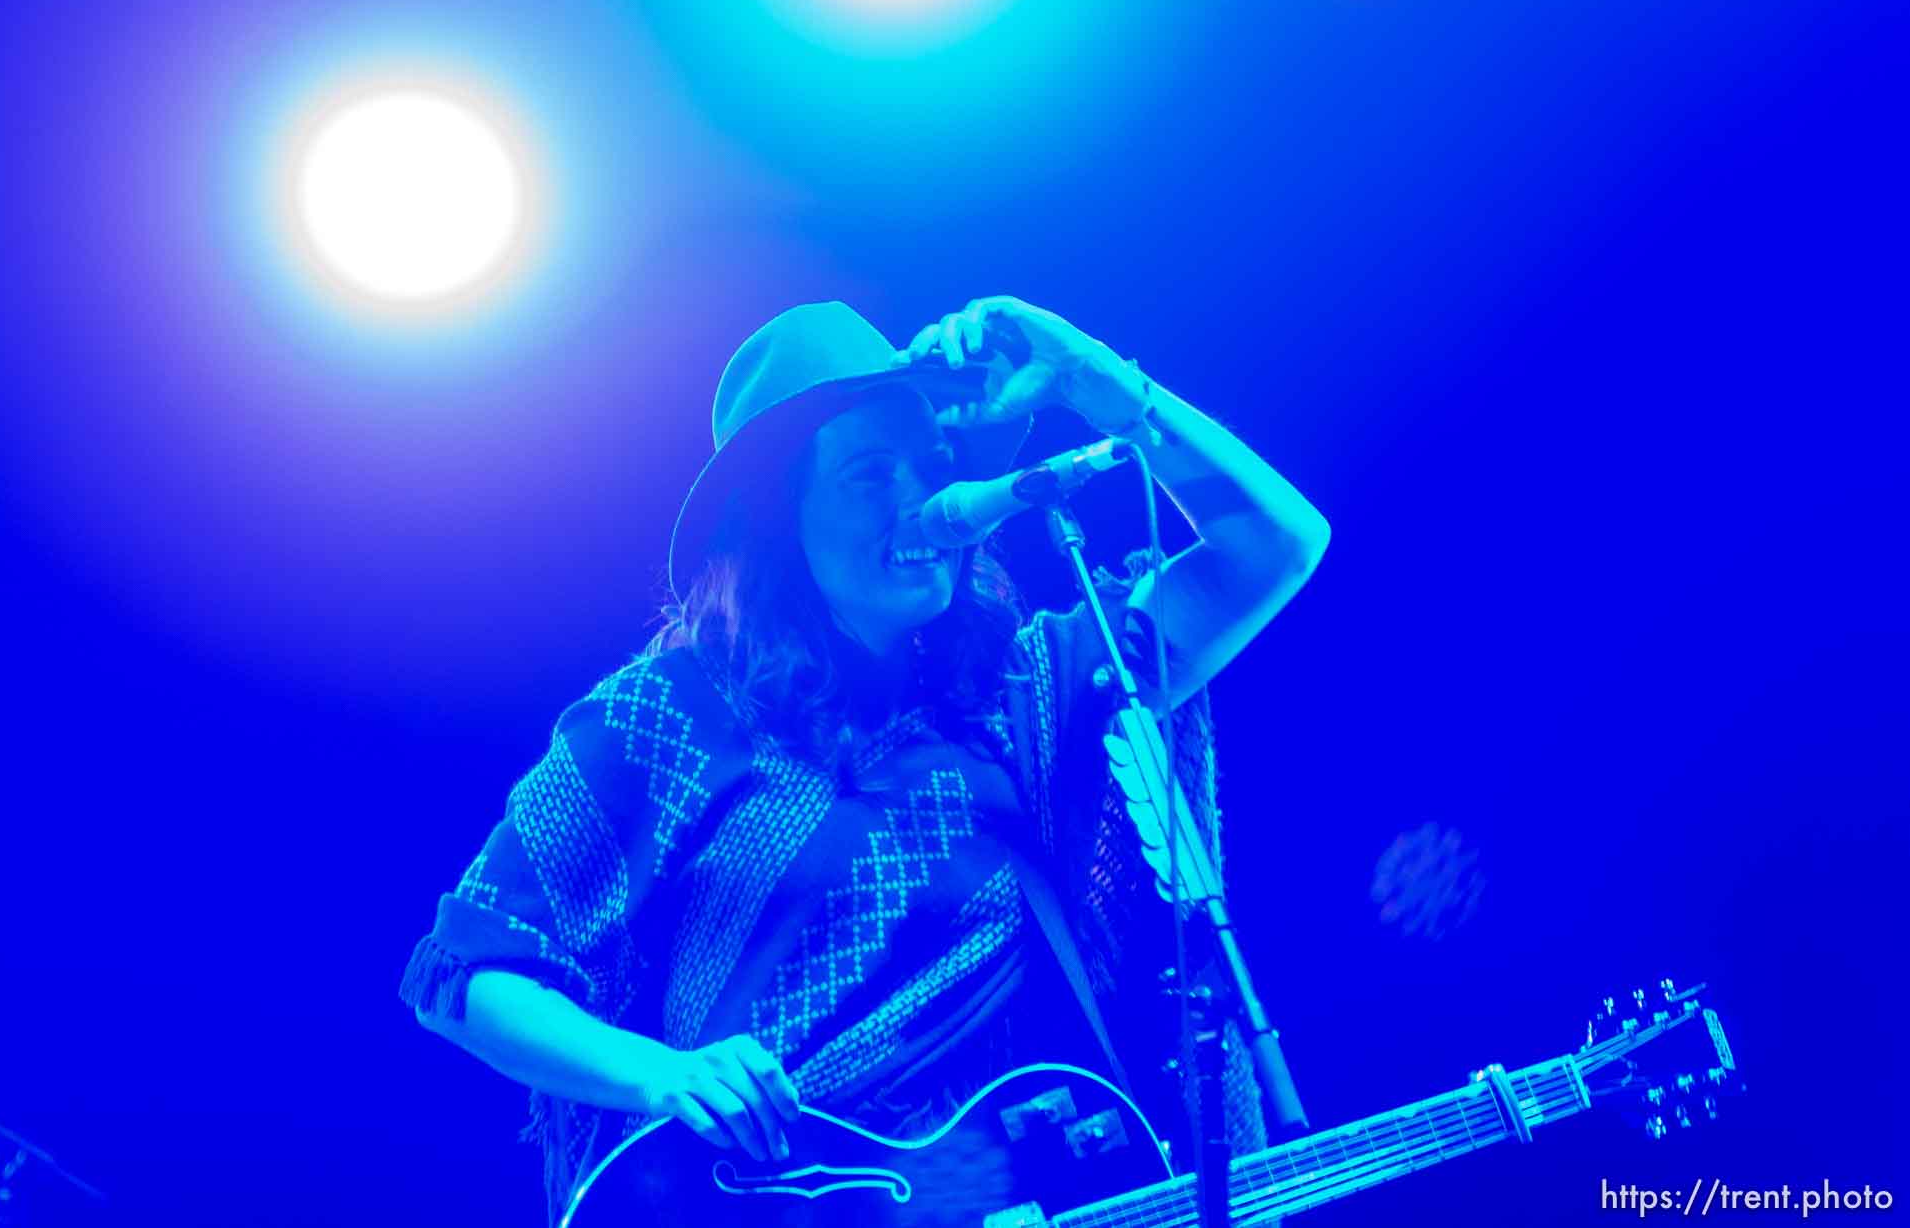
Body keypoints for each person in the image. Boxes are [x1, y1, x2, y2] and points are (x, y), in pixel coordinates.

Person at [400, 297, 1331, 1222]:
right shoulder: (666, 714)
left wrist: (1094, 379)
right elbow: (466, 973)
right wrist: (663, 1077)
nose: (920, 501)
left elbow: (1274, 544)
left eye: (929, 467)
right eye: (867, 474)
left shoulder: (1029, 694)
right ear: (778, 524)